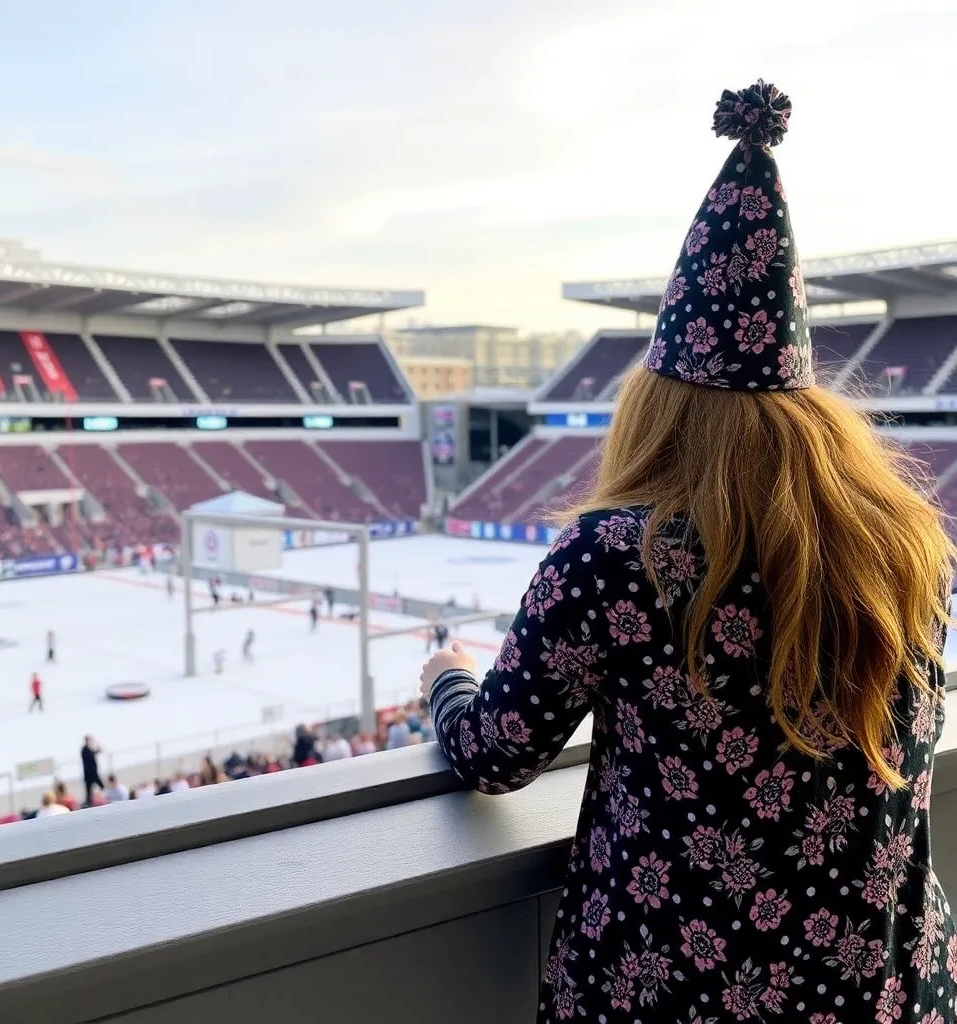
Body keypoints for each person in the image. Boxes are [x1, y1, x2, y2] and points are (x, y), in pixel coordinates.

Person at [421, 82, 957, 1023]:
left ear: (655, 409)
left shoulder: (613, 558)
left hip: (673, 995)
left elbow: (495, 754)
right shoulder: (910, 544)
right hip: (889, 995)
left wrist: (447, 675)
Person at [81, 735, 104, 807]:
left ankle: (100, 800)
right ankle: (88, 804)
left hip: (93, 773)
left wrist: (97, 745)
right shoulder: (85, 750)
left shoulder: (89, 749)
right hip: (89, 774)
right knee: (89, 792)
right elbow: (93, 754)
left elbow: (99, 751)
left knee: (101, 787)